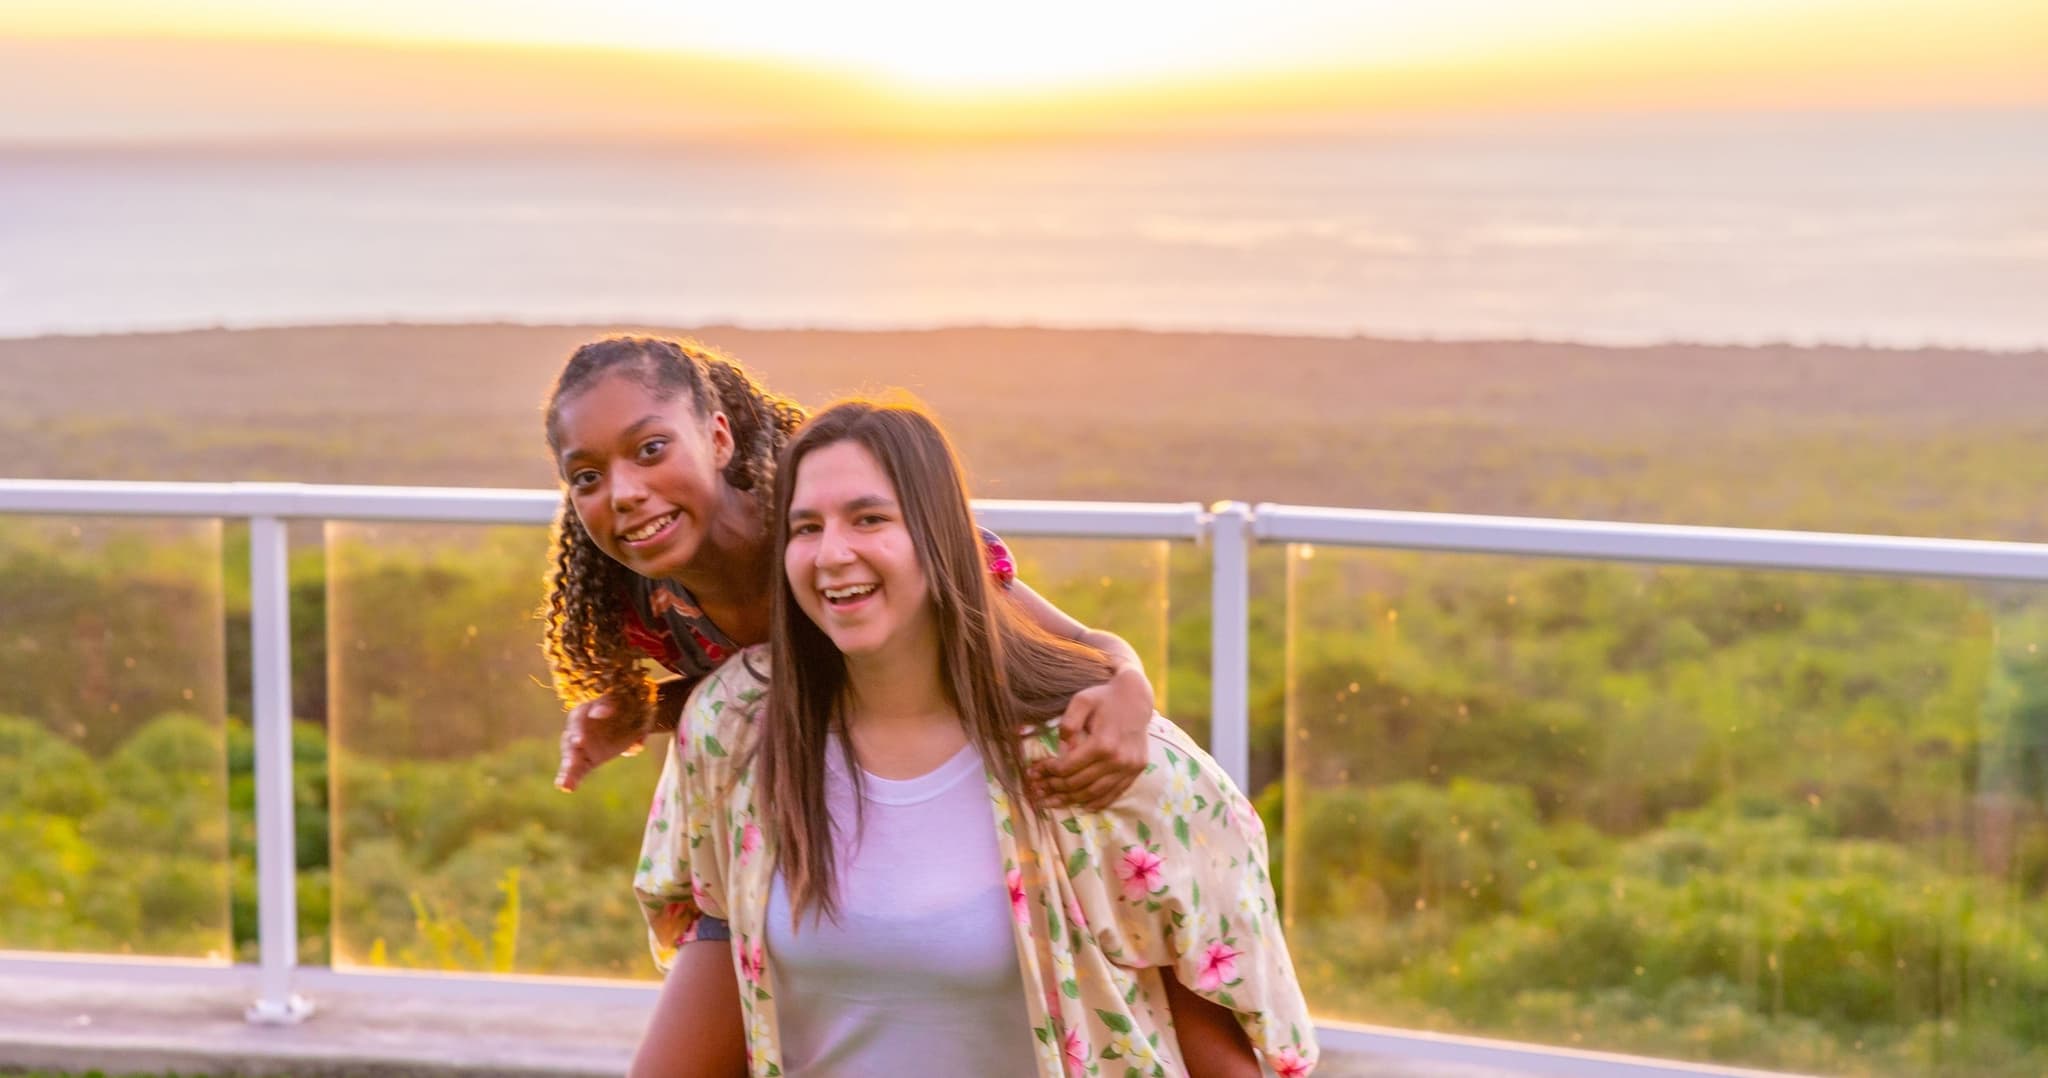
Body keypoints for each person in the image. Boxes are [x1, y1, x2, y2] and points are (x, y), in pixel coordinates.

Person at [632, 400, 1316, 1077]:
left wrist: (1124, 669)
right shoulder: (737, 729)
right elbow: (716, 939)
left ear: (943, 538)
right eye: (805, 527)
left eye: (870, 519)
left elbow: (1210, 1034)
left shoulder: (1095, 759)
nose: (833, 553)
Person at [541, 336, 1162, 1073]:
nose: (623, 492)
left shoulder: (825, 533)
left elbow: (1059, 641)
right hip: (804, 830)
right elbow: (758, 686)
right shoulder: (643, 597)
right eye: (587, 476)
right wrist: (645, 710)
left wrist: (1129, 683)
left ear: (716, 436)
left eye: (650, 449)